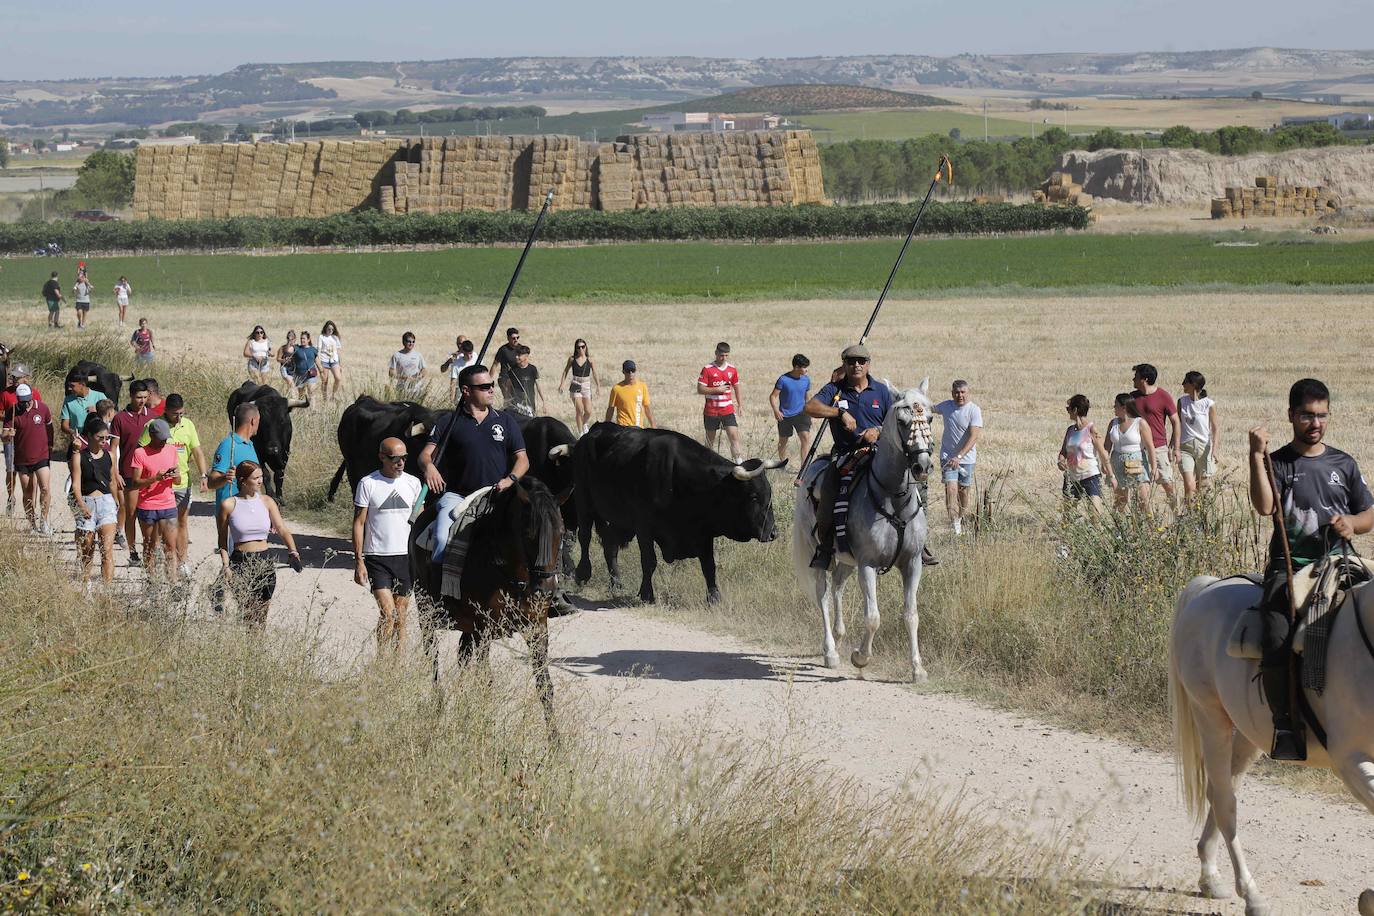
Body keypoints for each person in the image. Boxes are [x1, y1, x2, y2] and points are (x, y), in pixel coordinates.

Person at [1249, 377, 1374, 761]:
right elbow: (1265, 507)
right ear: (1291, 415)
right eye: (1307, 415)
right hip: (1293, 569)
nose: (1315, 423)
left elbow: (1370, 513)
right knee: (1276, 634)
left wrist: (1352, 524)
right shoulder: (1280, 462)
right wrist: (1256, 456)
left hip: (1340, 563)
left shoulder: (1344, 464)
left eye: (1321, 415)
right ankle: (1285, 723)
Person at [418, 364, 529, 564]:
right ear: (466, 391)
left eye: (492, 384)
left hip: (497, 496)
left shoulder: (505, 421)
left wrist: (510, 480)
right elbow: (425, 455)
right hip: (458, 497)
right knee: (442, 539)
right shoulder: (448, 422)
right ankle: (440, 591)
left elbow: (523, 459)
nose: (492, 389)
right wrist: (429, 467)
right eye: (485, 386)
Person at [803, 344, 894, 569]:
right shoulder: (835, 390)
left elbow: (895, 422)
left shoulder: (882, 391)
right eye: (851, 361)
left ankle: (919, 543)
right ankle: (825, 547)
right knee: (829, 490)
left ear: (868, 364)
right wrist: (839, 412)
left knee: (912, 482)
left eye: (861, 361)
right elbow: (810, 407)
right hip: (846, 456)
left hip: (880, 454)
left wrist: (879, 431)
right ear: (844, 364)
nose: (856, 365)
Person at [353, 436, 423, 652]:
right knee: (389, 613)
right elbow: (359, 523)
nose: (400, 462)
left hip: (406, 558)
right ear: (382, 457)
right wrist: (359, 561)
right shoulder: (368, 483)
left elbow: (420, 521)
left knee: (401, 616)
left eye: (404, 458)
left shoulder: (414, 483)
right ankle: (382, 661)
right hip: (377, 557)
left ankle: (396, 665)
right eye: (394, 458)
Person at [217, 460, 301, 629]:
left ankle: (258, 645)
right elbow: (223, 540)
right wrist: (226, 566)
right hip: (241, 561)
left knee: (262, 614)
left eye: (261, 476)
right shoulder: (229, 505)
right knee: (248, 612)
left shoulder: (267, 501)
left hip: (264, 560)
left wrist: (293, 552)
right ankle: (249, 647)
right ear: (243, 480)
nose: (260, 481)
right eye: (256, 478)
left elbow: (282, 529)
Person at [138, 394, 206, 577]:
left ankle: (181, 561)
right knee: (161, 525)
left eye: (181, 413)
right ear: (166, 410)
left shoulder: (188, 425)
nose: (179, 417)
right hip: (159, 486)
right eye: (175, 414)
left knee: (182, 522)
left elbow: (197, 451)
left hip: (181, 482)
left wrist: (203, 475)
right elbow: (141, 451)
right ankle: (161, 558)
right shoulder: (154, 425)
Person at [127, 418, 180, 583]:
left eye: (166, 438)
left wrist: (174, 476)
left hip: (168, 505)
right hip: (148, 506)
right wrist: (155, 478)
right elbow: (135, 483)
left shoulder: (171, 450)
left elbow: (177, 481)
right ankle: (152, 582)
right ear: (151, 435)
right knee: (149, 546)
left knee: (170, 546)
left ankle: (172, 582)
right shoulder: (140, 453)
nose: (164, 441)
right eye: (161, 438)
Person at [71, 415, 121, 588]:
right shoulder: (79, 456)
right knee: (87, 549)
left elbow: (112, 481)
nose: (104, 442)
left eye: (106, 438)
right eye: (100, 438)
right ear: (90, 436)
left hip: (106, 503)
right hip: (87, 502)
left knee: (107, 551)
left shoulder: (110, 455)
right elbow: (76, 484)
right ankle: (86, 584)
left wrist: (115, 501)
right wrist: (81, 505)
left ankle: (107, 589)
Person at [931, 380, 984, 535]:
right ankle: (954, 524)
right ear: (952, 393)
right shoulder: (946, 406)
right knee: (951, 488)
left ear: (968, 392)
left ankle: (960, 517)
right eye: (956, 392)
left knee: (963, 491)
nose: (959, 396)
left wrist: (960, 456)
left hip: (966, 459)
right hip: (947, 456)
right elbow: (931, 408)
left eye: (963, 392)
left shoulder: (974, 410)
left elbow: (974, 437)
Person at [110, 381, 155, 562]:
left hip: (150, 474)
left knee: (151, 514)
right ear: (130, 396)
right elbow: (113, 449)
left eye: (145, 397)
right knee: (131, 513)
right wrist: (115, 472)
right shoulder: (120, 418)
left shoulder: (152, 417)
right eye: (138, 397)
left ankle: (150, 549)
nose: (142, 401)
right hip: (128, 473)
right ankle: (132, 551)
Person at [5, 383, 54, 534]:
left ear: (32, 396)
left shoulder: (43, 408)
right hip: (22, 458)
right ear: (18, 399)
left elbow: (50, 427)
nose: (25, 404)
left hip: (41, 455)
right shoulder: (12, 412)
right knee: (28, 491)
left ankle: (44, 521)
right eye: (22, 401)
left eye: (27, 400)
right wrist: (8, 434)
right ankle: (32, 524)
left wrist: (50, 445)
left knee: (45, 488)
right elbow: (4, 435)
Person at [1131, 363, 1180, 512]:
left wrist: (1175, 446)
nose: (1133, 379)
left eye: (1136, 376)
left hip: (1159, 448)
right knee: (1141, 491)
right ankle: (1147, 525)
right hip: (1137, 450)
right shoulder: (1131, 398)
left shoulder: (1163, 396)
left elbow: (1176, 422)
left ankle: (1178, 516)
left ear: (1144, 379)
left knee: (1167, 484)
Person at [1057, 394, 1113, 514]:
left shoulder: (1091, 429)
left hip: (1090, 475)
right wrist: (1060, 461)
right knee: (1068, 514)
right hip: (1071, 477)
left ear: (1075, 410)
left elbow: (1103, 454)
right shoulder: (1070, 431)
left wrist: (1111, 475)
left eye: (1068, 409)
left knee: (1094, 512)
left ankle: (1096, 532)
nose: (1067, 412)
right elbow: (1063, 452)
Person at [1104, 392, 1158, 513]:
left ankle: (1151, 529)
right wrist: (1105, 463)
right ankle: (1120, 528)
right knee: (1120, 500)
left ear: (1124, 408)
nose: (1114, 408)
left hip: (1136, 461)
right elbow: (1107, 446)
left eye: (1116, 405)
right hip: (1116, 462)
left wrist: (1154, 467)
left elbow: (1150, 446)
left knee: (1143, 499)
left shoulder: (1140, 423)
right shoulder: (1113, 423)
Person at [1, 364, 41, 515]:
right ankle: (11, 497)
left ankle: (32, 506)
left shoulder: (35, 393)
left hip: (29, 438)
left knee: (32, 472)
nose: (15, 379)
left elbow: (39, 411)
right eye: (13, 377)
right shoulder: (6, 394)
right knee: (11, 470)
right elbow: (1, 412)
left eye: (18, 377)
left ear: (26, 377)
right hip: (11, 437)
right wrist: (10, 419)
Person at [698, 341, 743, 464]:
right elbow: (700, 389)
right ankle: (706, 464)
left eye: (726, 355)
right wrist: (717, 389)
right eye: (721, 355)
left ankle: (739, 463)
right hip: (711, 411)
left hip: (727, 410)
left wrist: (740, 405)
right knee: (709, 441)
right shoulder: (707, 369)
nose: (723, 358)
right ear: (716, 353)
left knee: (734, 437)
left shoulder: (732, 369)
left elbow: (737, 387)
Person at [1178, 370, 1219, 503]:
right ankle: (1189, 518)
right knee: (1189, 486)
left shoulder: (1209, 404)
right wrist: (1173, 446)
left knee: (1204, 486)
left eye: (1186, 381)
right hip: (1185, 447)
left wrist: (1215, 450)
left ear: (1193, 384)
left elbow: (1215, 428)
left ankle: (1203, 516)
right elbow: (1177, 424)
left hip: (1203, 447)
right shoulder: (1181, 402)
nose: (1182, 384)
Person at [770, 353, 813, 463]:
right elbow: (773, 396)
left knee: (805, 438)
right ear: (796, 367)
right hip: (785, 415)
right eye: (804, 367)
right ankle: (782, 463)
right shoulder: (783, 379)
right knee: (783, 441)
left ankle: (804, 467)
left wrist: (810, 411)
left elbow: (807, 397)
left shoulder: (806, 380)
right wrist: (776, 411)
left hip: (802, 414)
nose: (806, 370)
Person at [558, 338, 599, 435]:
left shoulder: (590, 359)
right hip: (575, 384)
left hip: (586, 385)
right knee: (579, 409)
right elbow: (565, 371)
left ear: (586, 347)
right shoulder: (572, 359)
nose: (581, 349)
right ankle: (580, 433)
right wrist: (562, 384)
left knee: (588, 411)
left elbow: (595, 373)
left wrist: (598, 386)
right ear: (575, 348)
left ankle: (584, 423)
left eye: (583, 347)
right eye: (578, 347)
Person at [59, 369, 103, 447]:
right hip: (77, 444)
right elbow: (64, 425)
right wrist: (72, 432)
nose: (69, 389)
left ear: (82, 384)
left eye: (72, 386)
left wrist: (98, 411)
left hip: (97, 445)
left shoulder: (100, 396)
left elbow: (111, 417)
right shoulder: (68, 400)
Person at [605, 360, 654, 428]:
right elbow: (611, 409)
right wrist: (606, 426)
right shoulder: (616, 389)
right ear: (623, 372)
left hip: (638, 428)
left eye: (633, 370)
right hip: (623, 428)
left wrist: (653, 425)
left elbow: (647, 408)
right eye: (628, 371)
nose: (631, 373)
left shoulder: (642, 386)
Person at [505, 345, 545, 418]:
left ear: (526, 356)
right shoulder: (512, 370)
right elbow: (508, 386)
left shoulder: (532, 369)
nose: (516, 357)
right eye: (516, 355)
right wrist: (507, 402)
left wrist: (543, 402)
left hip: (530, 404)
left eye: (519, 355)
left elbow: (538, 386)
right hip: (517, 404)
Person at [388, 331, 427, 398]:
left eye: (413, 341)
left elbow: (424, 370)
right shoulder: (397, 355)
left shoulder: (418, 355)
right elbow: (391, 373)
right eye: (409, 341)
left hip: (416, 389)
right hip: (402, 389)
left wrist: (419, 376)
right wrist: (403, 377)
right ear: (403, 342)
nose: (411, 343)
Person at [441, 336, 474, 404]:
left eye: (462, 343)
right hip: (457, 388)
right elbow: (442, 370)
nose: (460, 346)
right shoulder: (453, 356)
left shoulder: (472, 355)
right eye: (459, 343)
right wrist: (448, 362)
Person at [493, 327, 522, 401]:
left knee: (519, 400)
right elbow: (495, 365)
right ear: (508, 338)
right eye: (513, 338)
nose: (516, 340)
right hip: (505, 378)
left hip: (518, 379)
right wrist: (489, 379)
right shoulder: (503, 350)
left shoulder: (521, 349)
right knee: (509, 400)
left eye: (517, 337)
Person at [318, 321, 343, 401]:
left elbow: (337, 352)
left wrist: (340, 364)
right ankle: (324, 399)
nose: (330, 330)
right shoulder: (321, 337)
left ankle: (333, 395)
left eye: (332, 329)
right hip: (324, 360)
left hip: (334, 360)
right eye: (329, 329)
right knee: (325, 381)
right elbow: (318, 350)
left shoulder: (335, 338)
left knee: (338, 378)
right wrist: (319, 364)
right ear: (325, 328)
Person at [292, 329, 320, 397]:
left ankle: (313, 408)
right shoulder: (296, 348)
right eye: (301, 338)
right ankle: (302, 406)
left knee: (311, 393)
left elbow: (317, 361)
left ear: (308, 339)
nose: (302, 340)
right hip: (299, 375)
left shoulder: (313, 349)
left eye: (304, 338)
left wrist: (321, 371)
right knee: (301, 395)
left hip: (311, 374)